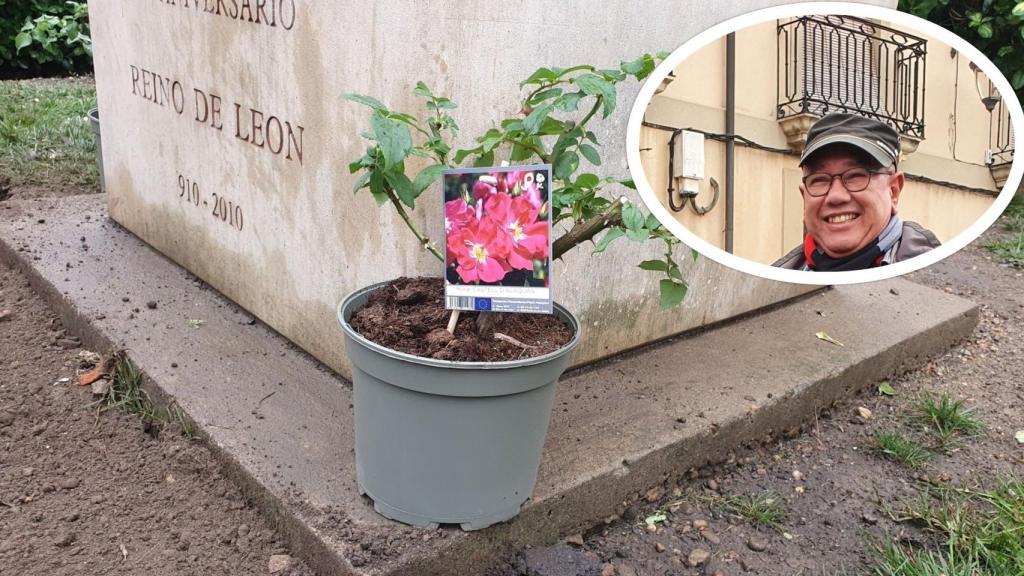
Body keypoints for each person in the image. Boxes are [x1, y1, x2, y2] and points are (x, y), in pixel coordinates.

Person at [773, 113, 940, 271]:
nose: (836, 196)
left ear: (893, 191)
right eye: (819, 180)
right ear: (804, 198)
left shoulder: (935, 276)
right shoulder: (774, 283)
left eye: (856, 176)